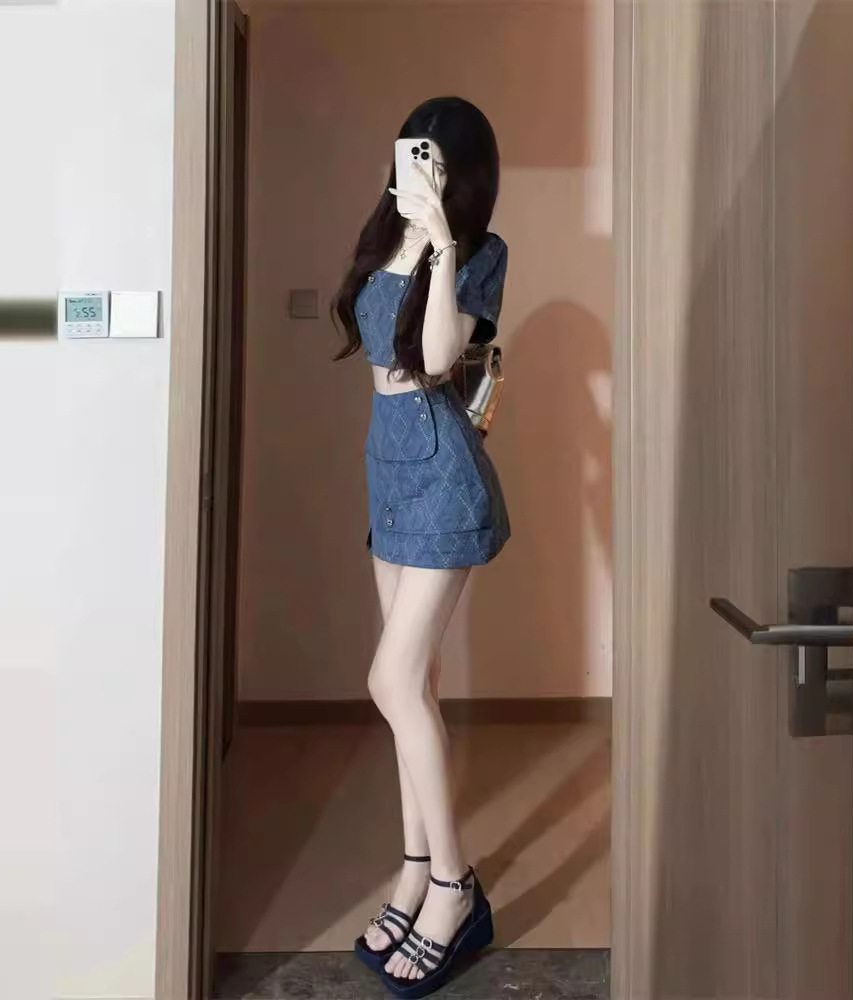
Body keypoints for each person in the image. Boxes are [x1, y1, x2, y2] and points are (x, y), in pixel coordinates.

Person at [331, 96, 510, 998]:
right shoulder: (383, 233)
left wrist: (440, 240)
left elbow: (438, 359)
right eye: (412, 152)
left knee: (392, 682)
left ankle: (453, 887)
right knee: (417, 688)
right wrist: (410, 228)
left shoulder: (479, 251)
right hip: (388, 468)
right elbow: (370, 339)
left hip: (442, 471)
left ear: (462, 172)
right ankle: (413, 871)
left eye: (436, 158)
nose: (419, 170)